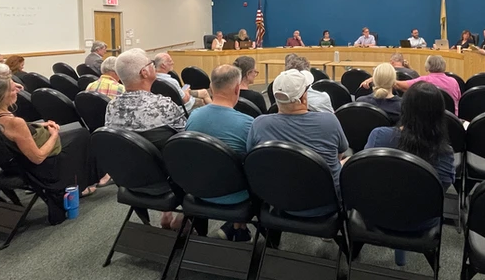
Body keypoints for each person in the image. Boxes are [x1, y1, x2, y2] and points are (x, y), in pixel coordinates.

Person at [0, 71, 99, 223]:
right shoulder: (13, 122)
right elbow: (38, 158)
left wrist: (40, 125)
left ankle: (79, 183)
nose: (17, 92)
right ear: (1, 96)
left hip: (13, 162)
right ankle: (79, 184)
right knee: (82, 136)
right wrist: (54, 135)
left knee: (79, 134)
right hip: (36, 167)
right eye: (13, 89)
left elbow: (12, 133)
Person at [364, 81, 455, 266]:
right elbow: (440, 191)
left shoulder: (379, 136)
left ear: (404, 108)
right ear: (440, 114)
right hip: (422, 221)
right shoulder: (445, 153)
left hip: (374, 215)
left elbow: (365, 174)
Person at [247, 69, 349, 216]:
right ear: (303, 97)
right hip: (325, 202)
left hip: (277, 199)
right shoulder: (329, 121)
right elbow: (339, 156)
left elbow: (252, 159)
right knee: (350, 161)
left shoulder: (259, 124)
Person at [185, 65, 254, 241]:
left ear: (211, 87)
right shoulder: (248, 124)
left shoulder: (193, 116)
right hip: (236, 196)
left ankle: (237, 227)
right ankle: (238, 226)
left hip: (197, 189)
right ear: (237, 88)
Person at [105, 49, 186, 148]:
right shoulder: (164, 106)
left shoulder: (111, 106)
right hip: (161, 161)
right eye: (151, 63)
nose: (154, 65)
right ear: (144, 72)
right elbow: (186, 135)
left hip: (124, 161)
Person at [360, 55, 461, 109]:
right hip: (452, 120)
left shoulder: (423, 81)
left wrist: (378, 77)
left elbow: (397, 84)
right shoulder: (454, 82)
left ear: (427, 67)